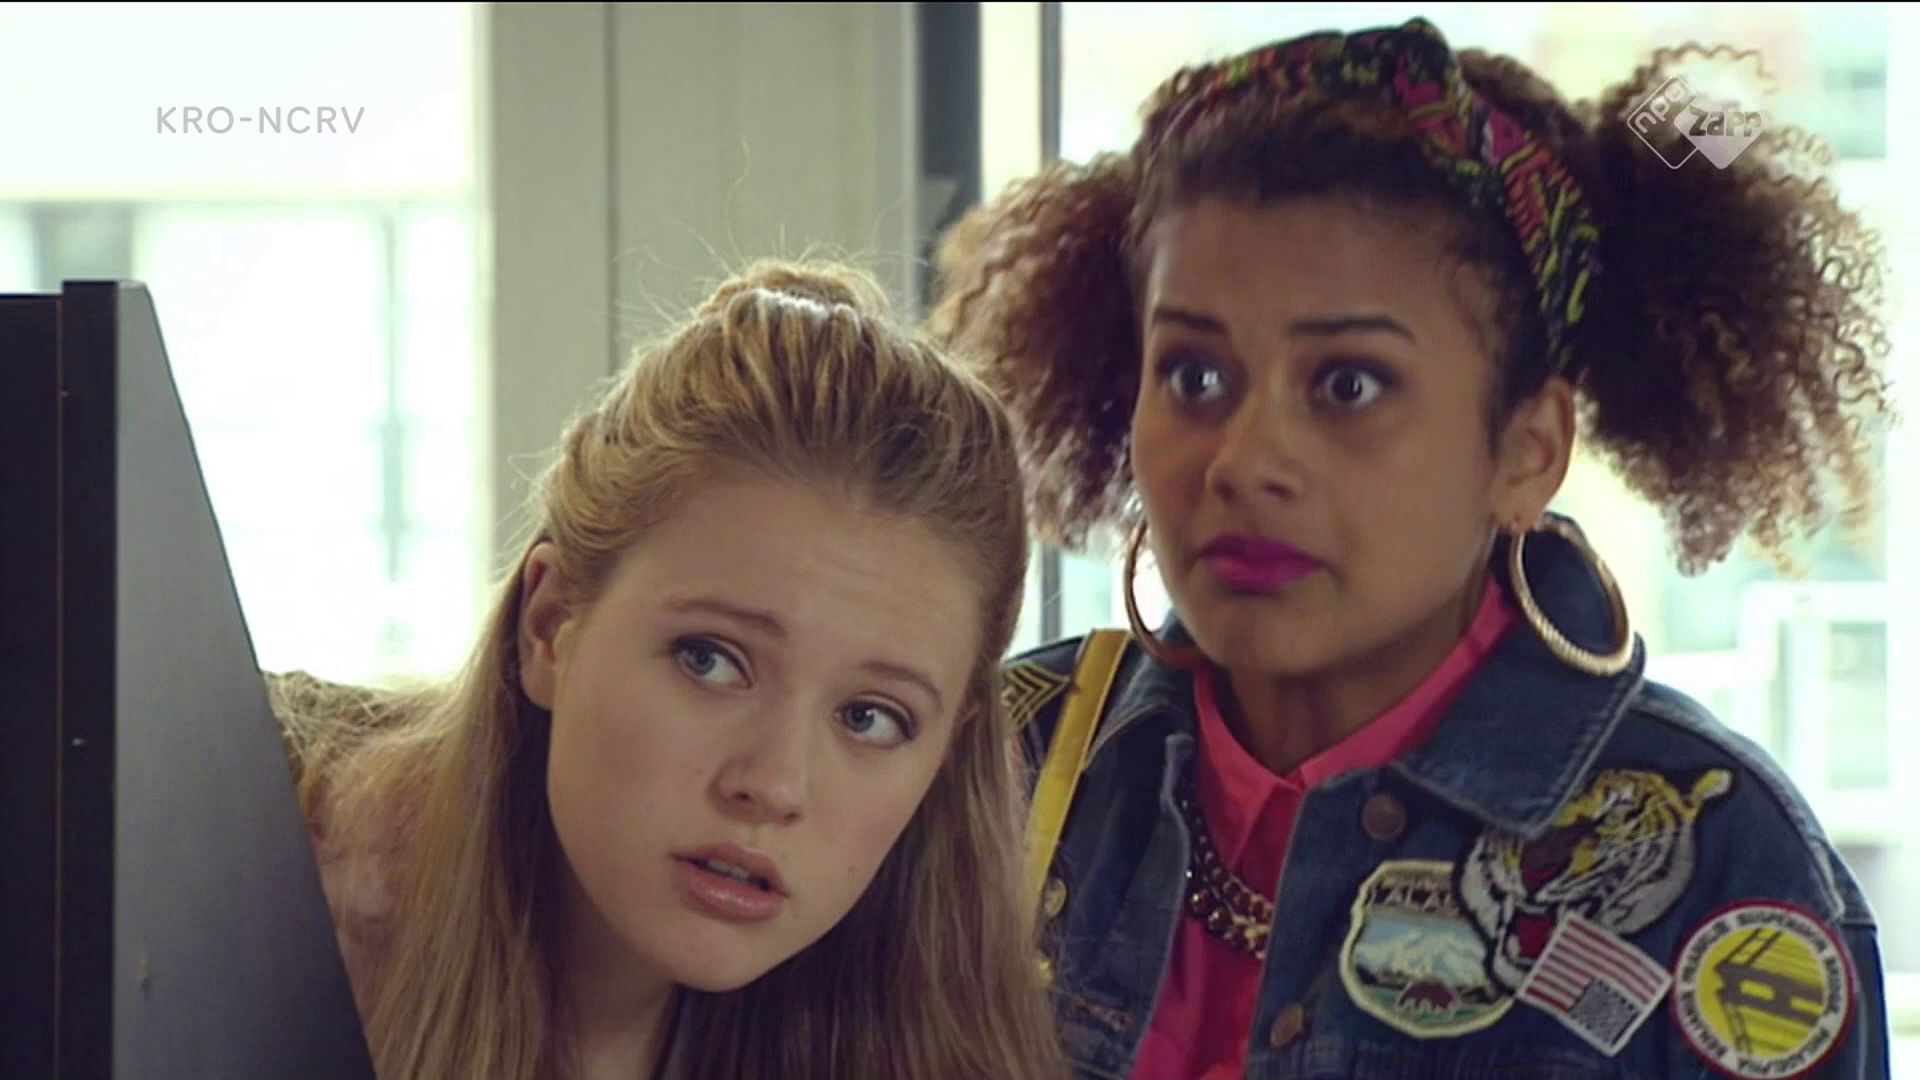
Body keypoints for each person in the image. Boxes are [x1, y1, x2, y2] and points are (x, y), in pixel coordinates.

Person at [932, 17, 1896, 1080]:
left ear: (1527, 452)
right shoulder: (992, 768)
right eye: (1194, 377)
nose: (1244, 461)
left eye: (1348, 384)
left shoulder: (1724, 873)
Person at [268, 261, 1070, 1080]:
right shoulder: (246, 877)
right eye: (710, 661)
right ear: (550, 626)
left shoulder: (927, 1044)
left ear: (946, 752)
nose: (774, 785)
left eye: (870, 718)